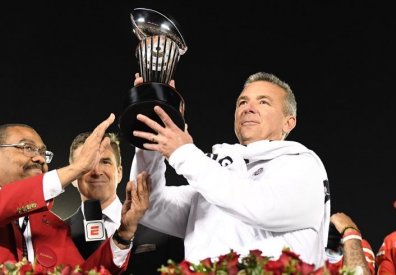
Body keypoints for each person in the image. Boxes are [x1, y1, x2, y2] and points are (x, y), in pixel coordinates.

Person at [129, 72, 330, 268]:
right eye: (242, 102)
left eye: (263, 102)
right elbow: (149, 205)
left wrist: (183, 153)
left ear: (289, 122)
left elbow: (259, 206)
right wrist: (154, 130)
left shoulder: (303, 165)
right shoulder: (219, 177)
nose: (249, 108)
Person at [0, 114, 149, 274]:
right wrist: (77, 168)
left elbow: (83, 273)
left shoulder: (56, 228)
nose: (40, 159)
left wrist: (123, 235)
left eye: (44, 152)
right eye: (28, 148)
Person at [65, 131, 184, 274]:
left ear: (119, 172)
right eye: (87, 163)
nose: (96, 171)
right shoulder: (58, 234)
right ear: (72, 176)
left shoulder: (161, 225)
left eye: (105, 162)